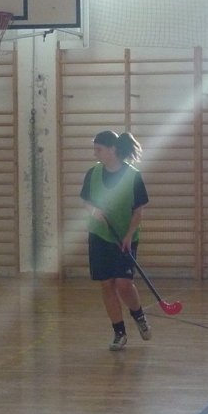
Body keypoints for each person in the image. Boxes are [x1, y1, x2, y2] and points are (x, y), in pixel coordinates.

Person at [80, 131, 151, 351]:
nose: (95, 154)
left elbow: (138, 211)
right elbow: (86, 201)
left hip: (125, 237)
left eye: (99, 149)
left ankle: (138, 315)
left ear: (112, 149)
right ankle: (119, 332)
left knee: (123, 284)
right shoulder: (93, 173)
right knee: (107, 284)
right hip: (99, 235)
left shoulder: (133, 176)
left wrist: (129, 235)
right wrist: (94, 211)